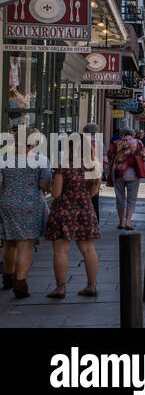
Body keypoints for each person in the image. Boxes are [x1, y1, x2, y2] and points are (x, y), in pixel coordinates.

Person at [0, 128, 51, 299]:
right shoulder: (41, 160)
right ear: (34, 142)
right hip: (31, 205)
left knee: (9, 242)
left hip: (8, 204)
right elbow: (45, 186)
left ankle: (8, 276)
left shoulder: (3, 159)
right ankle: (20, 283)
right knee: (25, 244)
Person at [45, 160, 100, 298]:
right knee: (88, 249)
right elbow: (93, 192)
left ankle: (61, 288)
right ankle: (92, 285)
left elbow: (56, 193)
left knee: (61, 249)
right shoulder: (93, 166)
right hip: (85, 210)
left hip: (64, 210)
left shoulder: (63, 166)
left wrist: (50, 186)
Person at [109, 129, 145, 231]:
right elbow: (144, 156)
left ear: (123, 134)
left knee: (119, 198)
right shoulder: (138, 142)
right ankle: (128, 223)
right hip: (133, 173)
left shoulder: (116, 143)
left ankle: (121, 222)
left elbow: (110, 155)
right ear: (132, 134)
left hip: (118, 173)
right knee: (132, 198)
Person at [82, 123, 101, 221]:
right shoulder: (99, 143)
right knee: (94, 197)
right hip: (95, 173)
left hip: (82, 171)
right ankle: (95, 219)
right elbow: (105, 159)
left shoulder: (81, 142)